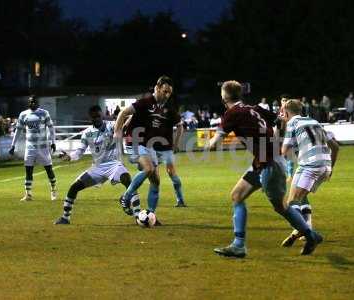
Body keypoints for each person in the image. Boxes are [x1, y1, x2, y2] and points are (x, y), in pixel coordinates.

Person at [207, 81, 322, 258]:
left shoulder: (231, 114)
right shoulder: (254, 108)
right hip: (263, 161)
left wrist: (210, 144)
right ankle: (238, 245)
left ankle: (310, 235)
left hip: (270, 163)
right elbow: (280, 119)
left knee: (280, 207)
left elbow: (214, 145)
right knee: (237, 196)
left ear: (224, 96)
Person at [115, 76, 185, 223]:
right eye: (165, 91)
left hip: (148, 145)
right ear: (157, 88)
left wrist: (173, 143)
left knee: (156, 181)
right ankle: (125, 197)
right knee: (148, 168)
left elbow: (178, 125)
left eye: (169, 93)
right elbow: (123, 113)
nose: (167, 95)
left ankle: (151, 215)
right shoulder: (145, 102)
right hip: (134, 141)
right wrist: (117, 131)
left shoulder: (165, 108)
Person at [54, 105, 140, 224]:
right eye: (94, 117)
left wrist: (133, 114)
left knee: (128, 180)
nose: (97, 119)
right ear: (90, 118)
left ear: (102, 115)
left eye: (98, 116)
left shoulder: (112, 126)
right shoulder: (87, 134)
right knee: (74, 187)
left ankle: (137, 215)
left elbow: (125, 125)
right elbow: (79, 152)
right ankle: (65, 217)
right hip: (97, 168)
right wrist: (69, 156)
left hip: (114, 165)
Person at [281, 100, 339, 254]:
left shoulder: (292, 123)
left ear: (286, 113)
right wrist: (330, 168)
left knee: (290, 204)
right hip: (323, 165)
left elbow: (284, 150)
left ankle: (310, 235)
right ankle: (305, 231)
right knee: (298, 199)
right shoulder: (314, 121)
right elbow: (335, 146)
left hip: (310, 165)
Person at [9, 95, 57, 202]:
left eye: (34, 102)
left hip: (43, 147)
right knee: (28, 170)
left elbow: (51, 127)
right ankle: (28, 194)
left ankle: (53, 190)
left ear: (38, 103)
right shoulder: (23, 114)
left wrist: (53, 142)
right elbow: (18, 130)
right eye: (31, 102)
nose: (33, 103)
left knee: (49, 169)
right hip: (30, 147)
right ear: (28, 103)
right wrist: (13, 145)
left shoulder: (44, 113)